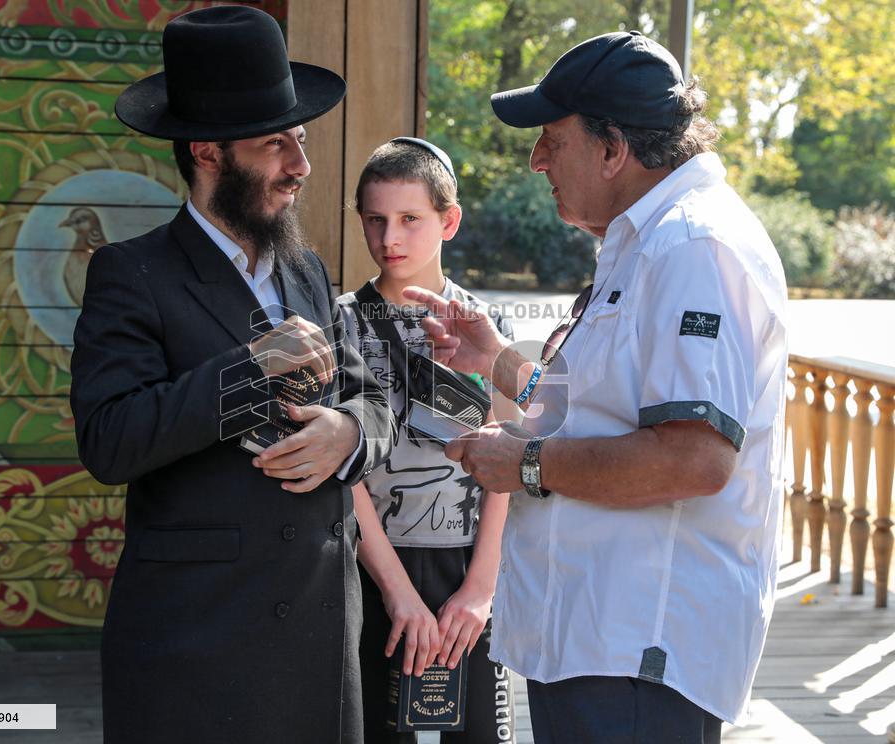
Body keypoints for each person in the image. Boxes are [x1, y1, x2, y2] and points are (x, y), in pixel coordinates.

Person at [403, 31, 788, 744]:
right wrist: (497, 361)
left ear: (614, 149)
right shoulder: (647, 239)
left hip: (636, 652)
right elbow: (608, 407)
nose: (536, 159)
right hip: (600, 641)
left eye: (553, 138)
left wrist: (522, 464)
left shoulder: (693, 246)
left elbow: (695, 458)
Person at [69, 7, 394, 743]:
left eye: (301, 140)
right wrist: (252, 369)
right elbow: (109, 440)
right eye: (276, 144)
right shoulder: (131, 273)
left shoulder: (307, 269)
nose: (301, 167)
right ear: (207, 150)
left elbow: (372, 398)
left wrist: (349, 432)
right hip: (197, 645)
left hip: (320, 640)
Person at [337, 138, 517, 743]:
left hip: (468, 564)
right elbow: (347, 472)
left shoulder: (486, 329)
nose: (390, 238)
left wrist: (482, 587)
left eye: (410, 219)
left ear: (449, 220)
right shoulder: (339, 324)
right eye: (375, 219)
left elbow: (510, 456)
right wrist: (397, 592)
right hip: (370, 567)